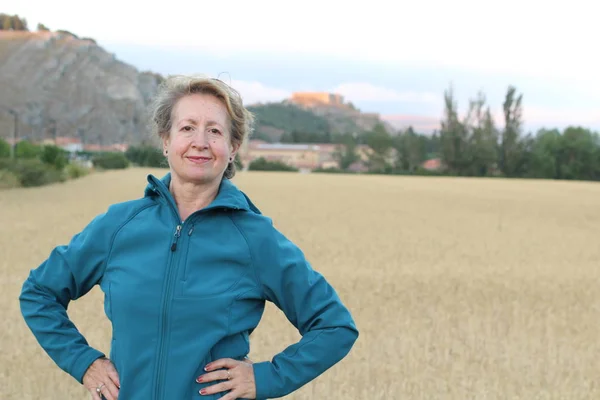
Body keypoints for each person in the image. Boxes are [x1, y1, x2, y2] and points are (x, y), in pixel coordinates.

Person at [19, 74, 359, 400]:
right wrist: (85, 363)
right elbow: (39, 292)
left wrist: (265, 377)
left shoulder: (256, 238)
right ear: (166, 141)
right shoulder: (119, 225)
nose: (200, 142)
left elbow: (334, 327)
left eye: (214, 131)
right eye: (187, 128)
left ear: (232, 147)